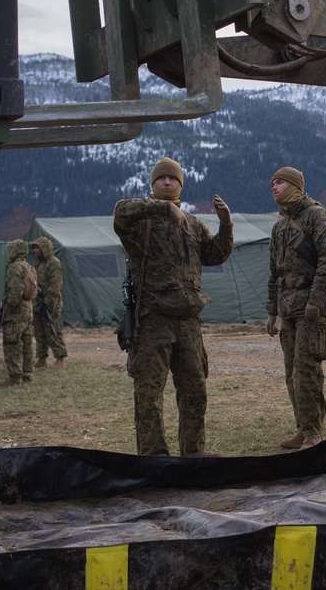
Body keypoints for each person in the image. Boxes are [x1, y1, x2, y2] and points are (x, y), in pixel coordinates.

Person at [113, 157, 233, 457]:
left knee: (195, 392)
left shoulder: (193, 224)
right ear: (152, 184)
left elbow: (215, 255)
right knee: (149, 396)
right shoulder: (140, 222)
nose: (168, 182)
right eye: (161, 179)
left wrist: (226, 224)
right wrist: (163, 207)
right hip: (154, 319)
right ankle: (154, 459)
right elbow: (120, 212)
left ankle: (193, 455)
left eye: (173, 179)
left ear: (181, 184)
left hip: (188, 321)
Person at [266, 167, 326, 451]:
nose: (274, 187)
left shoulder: (315, 216)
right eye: (272, 182)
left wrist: (316, 301)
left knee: (305, 371)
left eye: (280, 182)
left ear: (295, 185)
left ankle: (313, 432)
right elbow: (274, 272)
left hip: (310, 309)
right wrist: (272, 310)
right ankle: (303, 427)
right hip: (288, 309)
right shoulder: (280, 226)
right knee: (290, 373)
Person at [0, 239, 35, 387]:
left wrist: (8, 309)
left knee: (12, 343)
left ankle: (14, 378)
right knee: (26, 342)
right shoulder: (28, 266)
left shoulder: (14, 267)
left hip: (16, 311)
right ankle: (27, 374)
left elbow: (16, 290)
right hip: (28, 309)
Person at [31, 236, 68, 369]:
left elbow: (55, 286)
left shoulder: (54, 263)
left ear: (44, 249)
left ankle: (60, 357)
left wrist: (46, 303)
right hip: (38, 304)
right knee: (39, 333)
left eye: (37, 248)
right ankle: (41, 358)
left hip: (51, 305)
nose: (35, 251)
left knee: (53, 331)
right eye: (34, 248)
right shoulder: (38, 265)